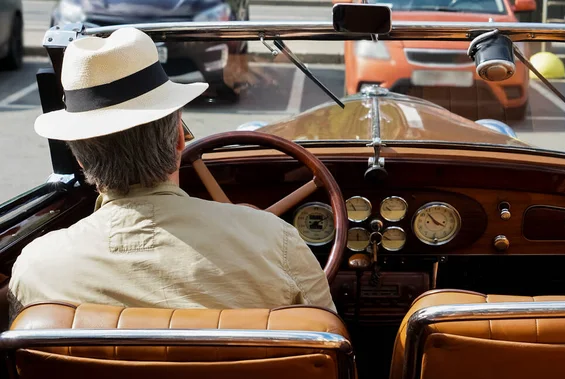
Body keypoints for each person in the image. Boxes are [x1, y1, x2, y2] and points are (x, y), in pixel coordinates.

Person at [8, 27, 334, 321]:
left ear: (79, 158)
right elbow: (330, 346)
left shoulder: (37, 269)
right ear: (180, 138)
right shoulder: (278, 244)